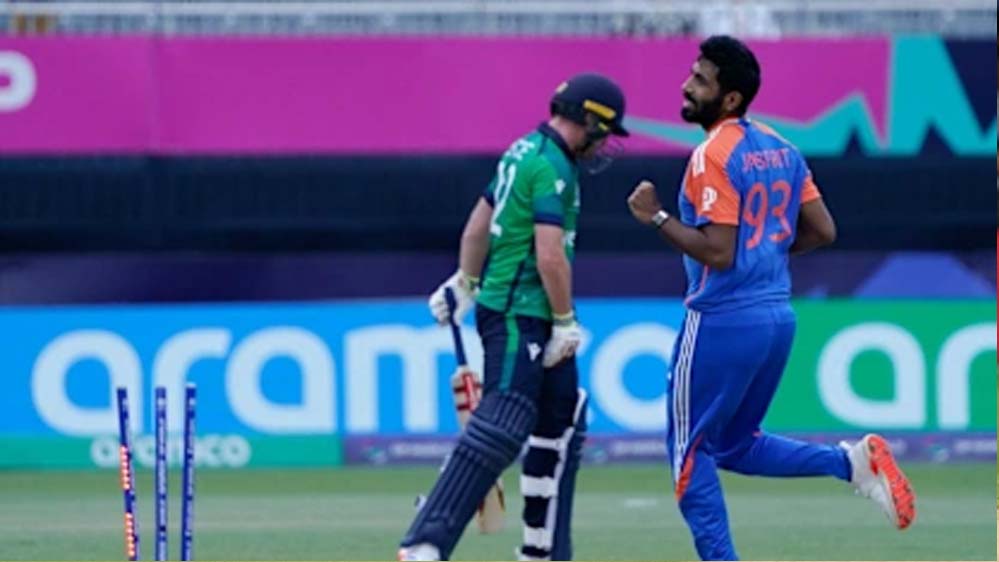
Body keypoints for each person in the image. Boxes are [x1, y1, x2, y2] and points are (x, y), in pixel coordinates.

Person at [625, 35, 916, 561]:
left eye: (700, 81)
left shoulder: (712, 154)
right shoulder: (780, 146)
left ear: (730, 98)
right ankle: (850, 463)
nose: (687, 86)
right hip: (776, 318)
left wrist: (657, 217)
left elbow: (717, 253)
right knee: (734, 445)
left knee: (689, 456)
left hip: (721, 319)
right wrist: (765, 254)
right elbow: (823, 230)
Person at [398, 72, 630, 562]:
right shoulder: (551, 166)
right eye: (605, 131)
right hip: (517, 312)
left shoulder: (522, 150)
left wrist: (465, 280)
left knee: (563, 419)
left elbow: (478, 224)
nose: (604, 143)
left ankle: (542, 551)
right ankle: (424, 543)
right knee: (505, 419)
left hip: (520, 308)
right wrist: (564, 320)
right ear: (589, 119)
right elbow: (550, 255)